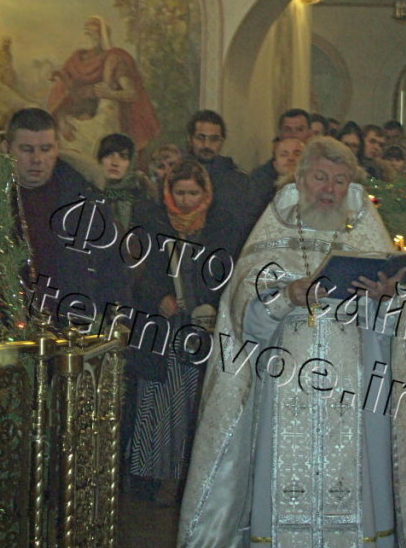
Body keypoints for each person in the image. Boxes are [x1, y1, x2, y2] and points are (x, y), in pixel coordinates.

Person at [177, 136, 406, 548]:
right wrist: (287, 296)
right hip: (284, 387)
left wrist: (385, 299)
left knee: (355, 483)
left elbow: (399, 333)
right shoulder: (270, 237)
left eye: (340, 180)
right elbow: (242, 317)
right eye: (320, 178)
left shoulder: (368, 236)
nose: (329, 189)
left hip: (353, 392)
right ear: (299, 179)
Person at [127, 159, 239, 506]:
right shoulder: (153, 222)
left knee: (194, 403)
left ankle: (190, 480)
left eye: (193, 193)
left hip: (202, 330)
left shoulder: (221, 226)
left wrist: (211, 304)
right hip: (162, 331)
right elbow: (137, 271)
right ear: (169, 193)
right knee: (158, 404)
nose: (187, 201)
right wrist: (157, 296)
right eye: (180, 193)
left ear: (205, 193)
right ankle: (153, 478)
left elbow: (229, 274)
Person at [5, 107, 128, 328]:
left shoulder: (85, 199)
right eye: (26, 149)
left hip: (71, 327)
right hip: (7, 323)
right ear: (7, 148)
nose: (37, 159)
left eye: (45, 149)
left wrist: (112, 323)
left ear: (57, 148)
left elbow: (112, 270)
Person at [47, 15, 160, 169]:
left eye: (94, 33)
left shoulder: (113, 59)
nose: (89, 36)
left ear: (102, 36)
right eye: (87, 32)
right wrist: (61, 120)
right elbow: (61, 94)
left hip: (102, 124)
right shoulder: (76, 60)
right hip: (73, 125)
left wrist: (110, 94)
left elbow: (131, 93)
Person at [186, 109, 254, 252]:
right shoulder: (175, 176)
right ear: (190, 139)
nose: (206, 145)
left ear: (222, 142)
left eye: (214, 139)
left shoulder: (238, 182)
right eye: (201, 138)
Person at [96, 132, 154, 229]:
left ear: (131, 163)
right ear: (99, 159)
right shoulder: (89, 193)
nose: (115, 163)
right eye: (108, 155)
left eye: (123, 157)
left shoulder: (140, 199)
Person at [250, 136, 305, 216]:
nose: (291, 158)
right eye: (284, 155)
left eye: (297, 154)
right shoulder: (260, 187)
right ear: (275, 164)